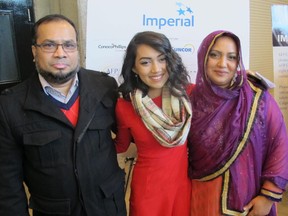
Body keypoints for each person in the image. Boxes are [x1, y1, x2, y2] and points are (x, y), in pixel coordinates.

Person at [0, 14, 126, 216]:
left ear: (77, 49)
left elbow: (131, 129)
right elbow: (7, 185)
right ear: (34, 51)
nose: (60, 53)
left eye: (69, 45)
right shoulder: (9, 106)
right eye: (49, 45)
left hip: (108, 207)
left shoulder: (105, 86)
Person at [188, 30, 288, 216]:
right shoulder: (191, 100)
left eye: (231, 57)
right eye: (214, 55)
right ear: (203, 57)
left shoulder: (257, 97)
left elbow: (280, 144)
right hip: (202, 200)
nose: (222, 64)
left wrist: (268, 197)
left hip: (249, 203)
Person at [114, 31, 193, 216]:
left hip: (182, 188)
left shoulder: (188, 94)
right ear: (133, 68)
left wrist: (243, 79)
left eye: (161, 59)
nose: (156, 69)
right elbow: (121, 145)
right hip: (147, 192)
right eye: (145, 62)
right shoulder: (125, 106)